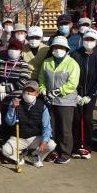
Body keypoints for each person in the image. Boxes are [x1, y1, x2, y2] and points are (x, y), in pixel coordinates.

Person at [37, 35, 80, 164]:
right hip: (50, 100)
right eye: (56, 47)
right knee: (52, 127)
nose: (58, 50)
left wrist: (57, 91)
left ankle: (66, 153)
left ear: (66, 49)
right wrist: (43, 90)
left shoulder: (72, 63)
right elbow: (41, 79)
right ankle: (53, 151)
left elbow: (72, 83)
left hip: (66, 101)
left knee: (65, 128)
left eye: (61, 47)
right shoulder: (47, 62)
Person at [2, 81, 56, 168]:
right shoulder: (15, 102)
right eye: (26, 91)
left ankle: (34, 155)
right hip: (18, 138)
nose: (28, 93)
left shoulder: (42, 106)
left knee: (51, 144)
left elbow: (47, 127)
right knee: (5, 150)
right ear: (23, 92)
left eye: (31, 91)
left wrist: (45, 141)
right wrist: (12, 107)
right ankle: (19, 156)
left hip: (34, 138)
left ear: (37, 93)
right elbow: (9, 122)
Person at [70, 29, 97, 159]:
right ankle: (76, 146)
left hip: (91, 94)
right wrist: (76, 94)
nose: (89, 42)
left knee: (88, 119)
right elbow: (72, 75)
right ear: (82, 40)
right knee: (77, 119)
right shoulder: (75, 54)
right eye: (87, 39)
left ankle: (87, 146)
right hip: (76, 94)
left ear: (96, 41)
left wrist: (91, 95)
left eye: (91, 40)